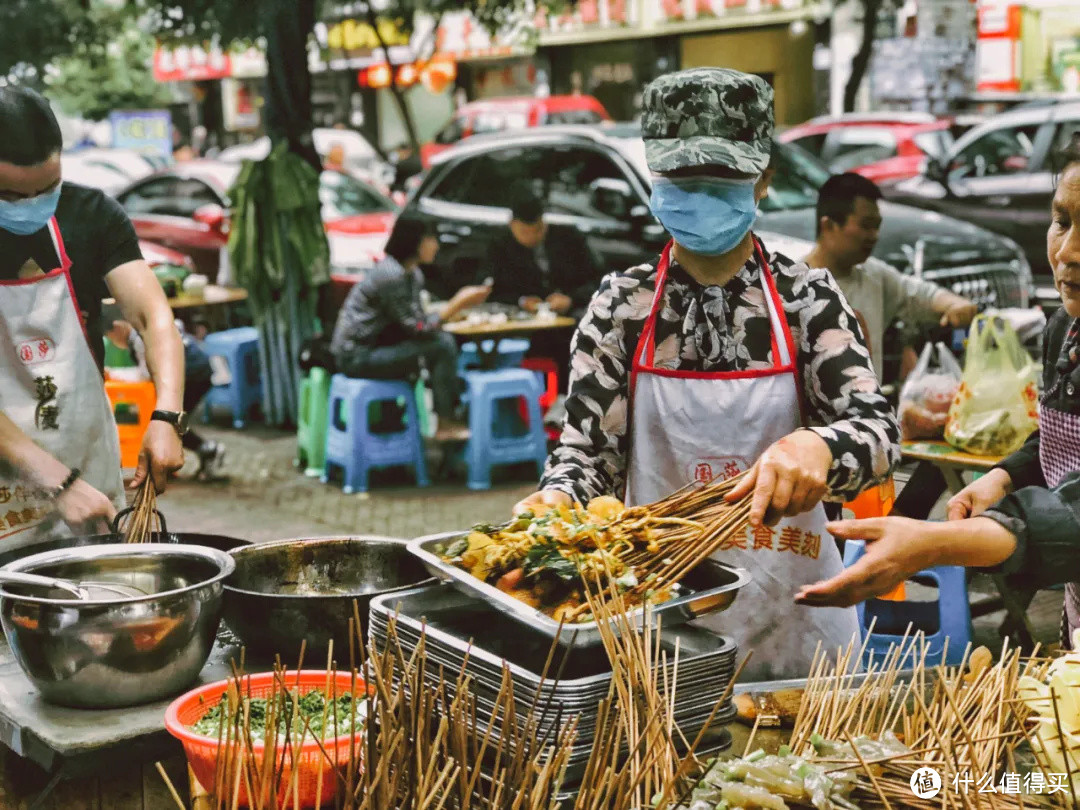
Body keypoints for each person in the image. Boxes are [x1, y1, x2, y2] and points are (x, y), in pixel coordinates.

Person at [513, 68, 901, 682]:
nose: (699, 196)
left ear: (763, 180)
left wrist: (822, 446)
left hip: (798, 633)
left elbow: (878, 436)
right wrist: (558, 501)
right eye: (680, 180)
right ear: (653, 180)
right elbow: (588, 456)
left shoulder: (807, 301)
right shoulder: (623, 307)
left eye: (721, 179)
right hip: (662, 621)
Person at [795, 132, 1080, 643]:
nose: (1069, 252)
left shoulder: (877, 277)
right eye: (1062, 221)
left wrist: (937, 543)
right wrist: (1003, 476)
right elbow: (1064, 439)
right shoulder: (1066, 328)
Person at [0, 86, 185, 547]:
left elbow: (152, 316)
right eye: (11, 193)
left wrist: (167, 415)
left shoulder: (92, 215)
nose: (33, 205)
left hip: (87, 465)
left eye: (47, 189)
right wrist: (56, 482)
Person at [804, 172, 977, 382]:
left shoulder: (874, 276)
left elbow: (919, 294)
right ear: (829, 225)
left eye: (877, 226)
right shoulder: (795, 286)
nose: (874, 236)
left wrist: (954, 304)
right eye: (866, 225)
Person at [330, 216, 491, 441]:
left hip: (380, 347)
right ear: (414, 241)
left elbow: (417, 320)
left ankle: (396, 432)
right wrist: (457, 304)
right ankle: (445, 422)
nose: (435, 245)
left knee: (437, 347)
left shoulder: (411, 273)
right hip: (357, 355)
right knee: (442, 346)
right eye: (431, 238)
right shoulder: (392, 275)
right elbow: (419, 328)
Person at [101, 305, 225, 479]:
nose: (113, 342)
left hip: (194, 373)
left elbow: (146, 375)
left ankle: (209, 450)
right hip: (195, 370)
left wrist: (113, 373)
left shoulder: (139, 339)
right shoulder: (143, 329)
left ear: (117, 328)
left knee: (168, 421)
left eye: (110, 337)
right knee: (170, 421)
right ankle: (200, 452)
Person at [485, 184, 606, 318]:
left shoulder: (569, 238)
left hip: (573, 314)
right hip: (525, 318)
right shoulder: (501, 246)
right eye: (524, 232)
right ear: (512, 225)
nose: (532, 237)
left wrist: (572, 300)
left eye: (538, 230)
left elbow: (599, 280)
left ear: (544, 222)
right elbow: (493, 290)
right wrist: (522, 301)